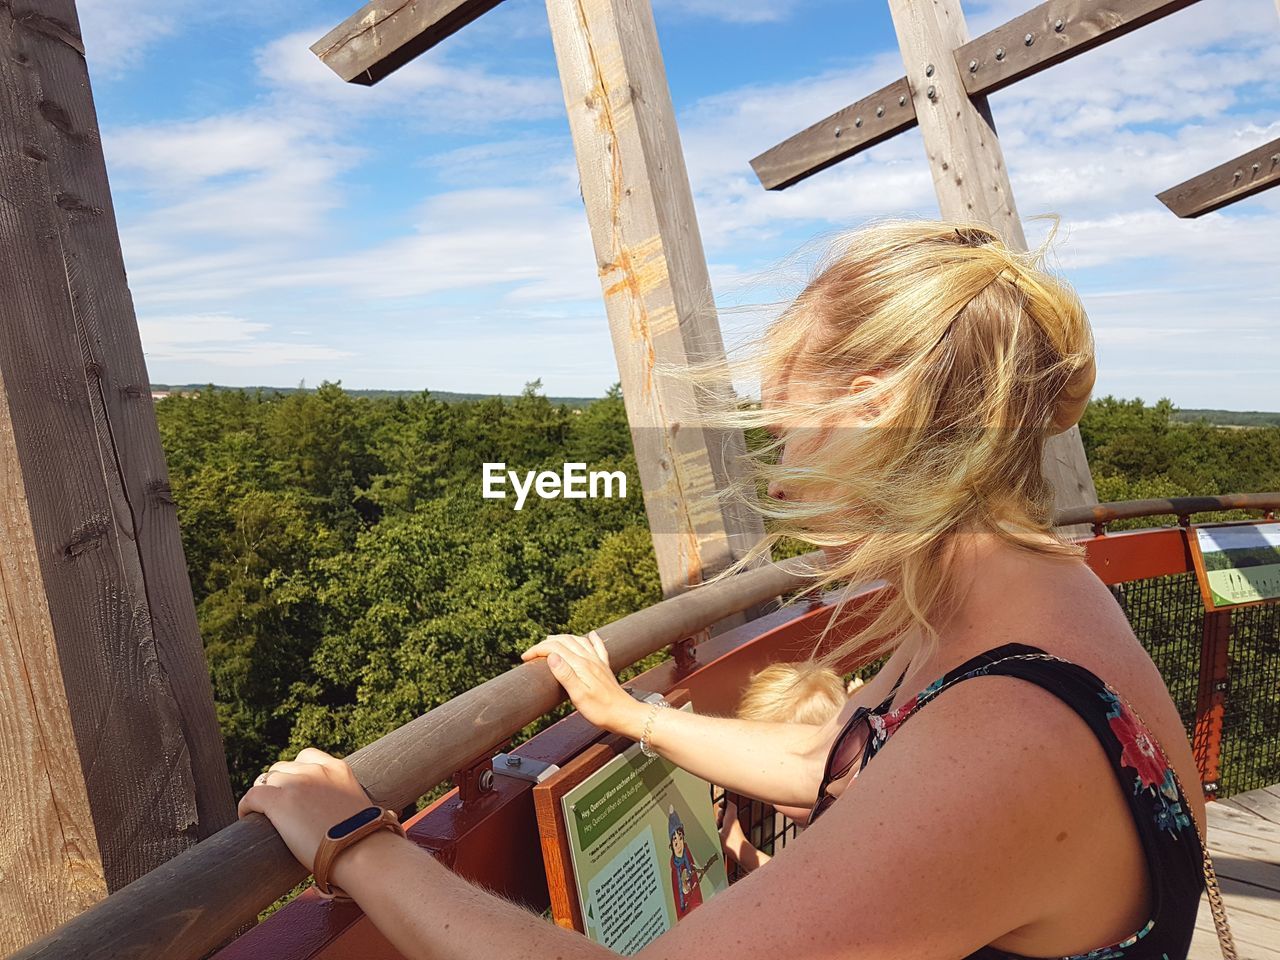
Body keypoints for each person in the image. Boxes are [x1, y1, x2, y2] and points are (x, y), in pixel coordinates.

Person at [240, 220, 1210, 960]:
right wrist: (632, 714)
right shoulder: (1028, 605)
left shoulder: (1012, 727)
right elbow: (841, 768)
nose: (777, 468)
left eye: (785, 423)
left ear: (874, 407)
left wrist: (355, 842)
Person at [718, 662, 845, 872]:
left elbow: (808, 889)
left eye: (769, 772)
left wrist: (739, 847)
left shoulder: (840, 836)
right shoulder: (848, 798)